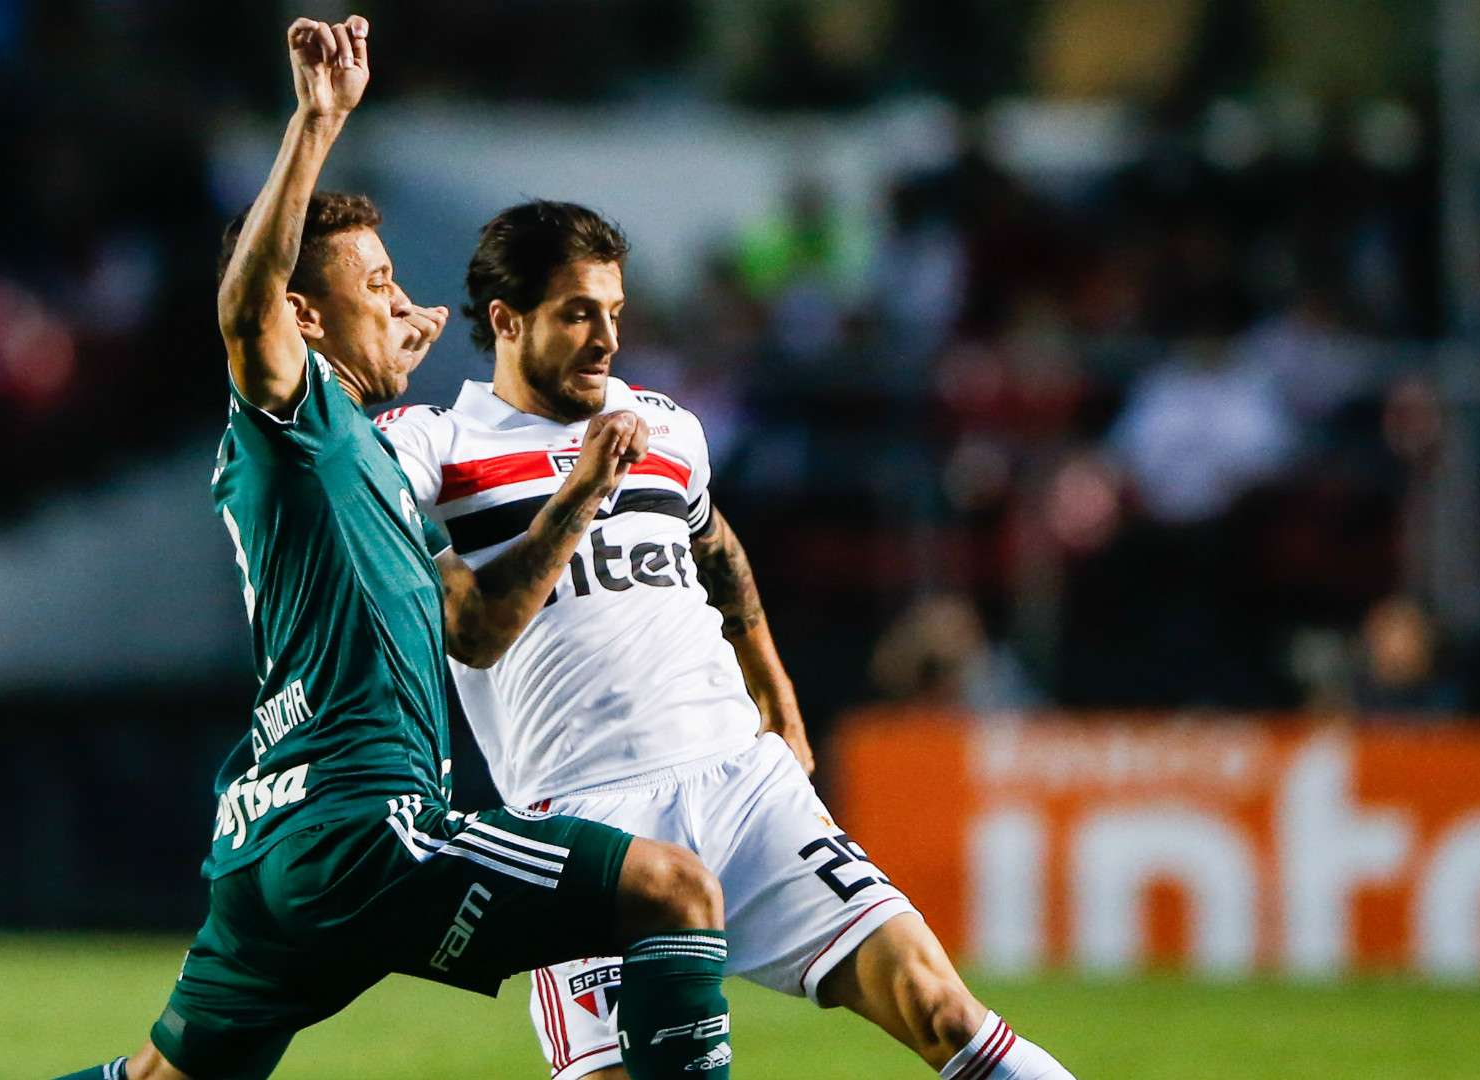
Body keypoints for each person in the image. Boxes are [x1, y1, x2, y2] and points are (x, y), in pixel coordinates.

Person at [56, 20, 733, 1080]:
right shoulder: (293, 416)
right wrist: (316, 124)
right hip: (365, 823)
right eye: (373, 285)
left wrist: (560, 487)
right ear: (303, 318)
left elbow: (479, 626)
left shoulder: (363, 453)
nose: (400, 301)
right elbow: (247, 308)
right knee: (675, 890)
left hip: (269, 837)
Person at [382, 201, 1078, 1080]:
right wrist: (585, 489)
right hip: (583, 823)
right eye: (577, 313)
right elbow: (471, 633)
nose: (606, 338)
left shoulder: (666, 428)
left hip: (739, 784)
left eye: (615, 312)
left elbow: (715, 546)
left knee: (943, 1009)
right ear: (506, 321)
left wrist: (776, 696)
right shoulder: (436, 450)